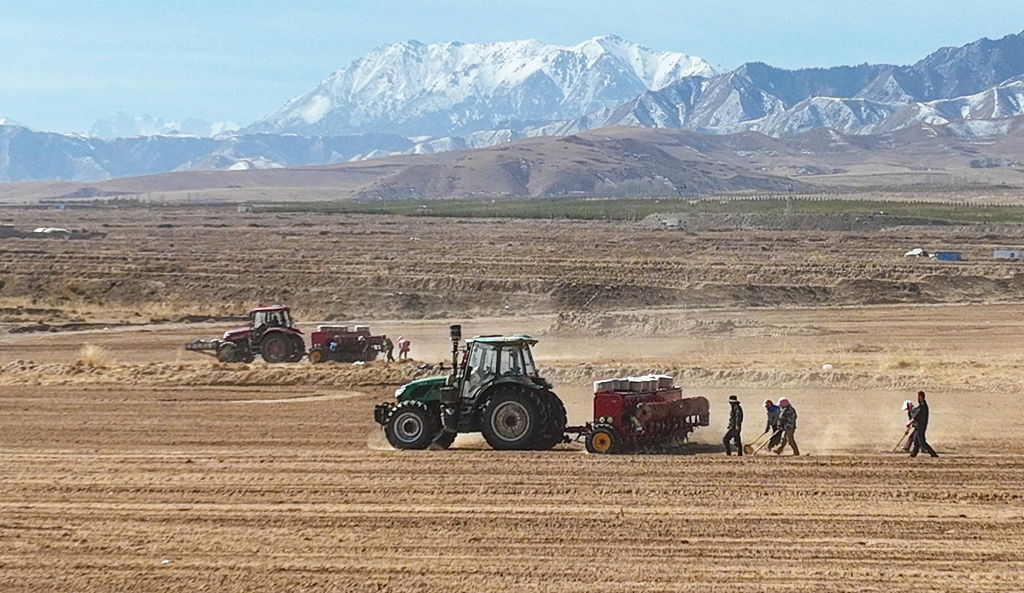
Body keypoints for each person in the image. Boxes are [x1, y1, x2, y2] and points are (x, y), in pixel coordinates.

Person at [909, 390, 938, 458]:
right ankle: (913, 454)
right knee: (917, 441)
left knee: (922, 442)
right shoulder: (922, 405)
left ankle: (933, 453)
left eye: (919, 396)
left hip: (920, 427)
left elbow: (916, 414)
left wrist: (911, 412)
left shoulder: (923, 406)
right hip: (919, 426)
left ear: (921, 397)